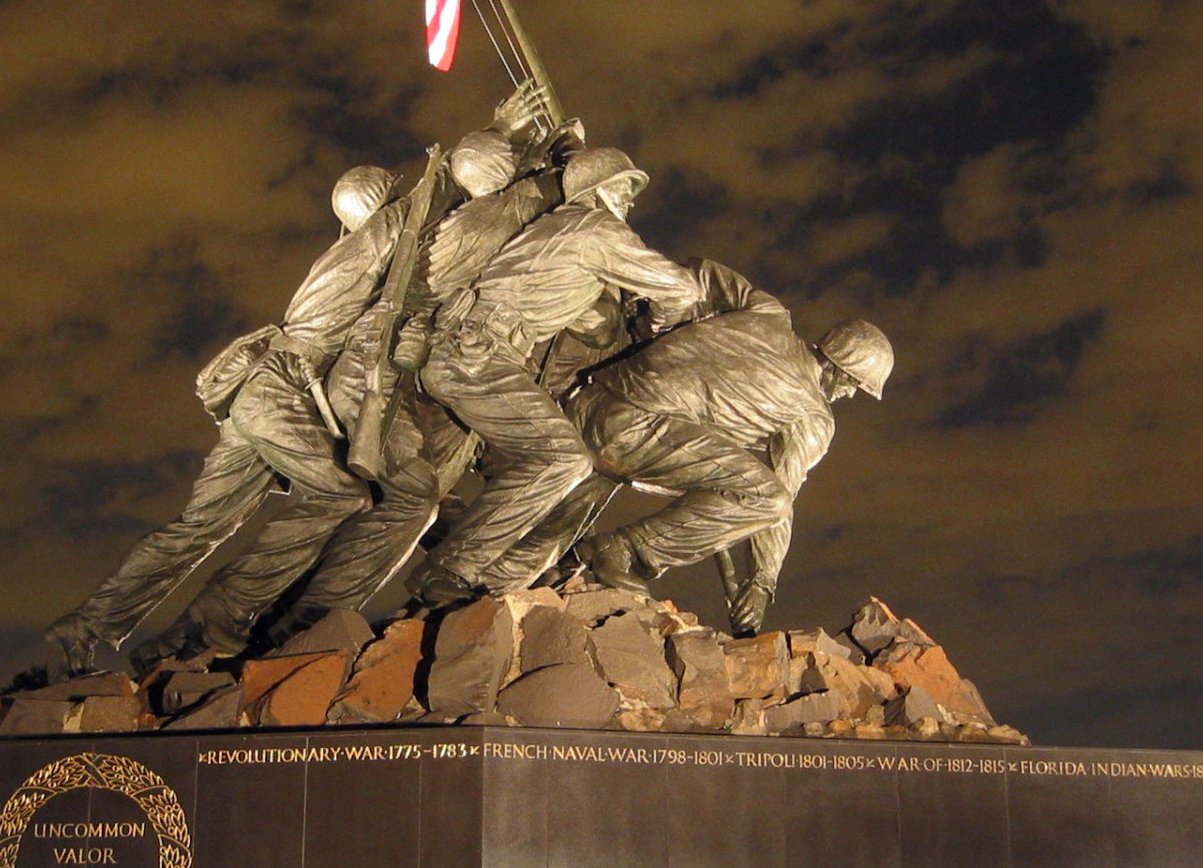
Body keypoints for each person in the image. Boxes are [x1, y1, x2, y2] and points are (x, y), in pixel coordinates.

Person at [126, 89, 562, 663]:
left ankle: (235, 622)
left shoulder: (355, 244)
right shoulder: (404, 233)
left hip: (327, 382)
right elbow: (460, 193)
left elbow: (442, 197)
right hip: (352, 376)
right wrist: (523, 142)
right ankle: (302, 623)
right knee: (399, 497)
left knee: (369, 502)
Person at [42, 165, 406, 676]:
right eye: (391, 195)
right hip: (275, 392)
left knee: (201, 526)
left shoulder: (341, 251)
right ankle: (221, 617)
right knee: (342, 495)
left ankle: (88, 624)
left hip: (255, 394)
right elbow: (419, 216)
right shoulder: (372, 242)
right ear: (379, 204)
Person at [486, 261, 892, 636]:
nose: (851, 395)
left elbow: (701, 272)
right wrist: (762, 583)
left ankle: (486, 593)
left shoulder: (767, 313)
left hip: (589, 402)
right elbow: (778, 505)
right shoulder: (813, 416)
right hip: (635, 432)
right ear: (841, 369)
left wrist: (662, 324)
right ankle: (624, 550)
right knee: (764, 497)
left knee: (549, 539)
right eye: (855, 385)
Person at [405, 145, 707, 607]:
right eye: (622, 187)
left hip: (479, 350)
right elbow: (683, 289)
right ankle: (447, 569)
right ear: (593, 190)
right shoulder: (597, 229)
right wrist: (655, 327)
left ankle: (477, 569)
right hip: (479, 354)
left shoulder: (554, 227)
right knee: (561, 458)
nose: (630, 199)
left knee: (533, 466)